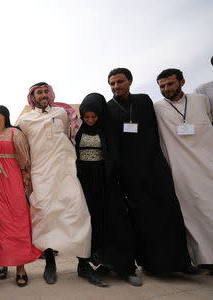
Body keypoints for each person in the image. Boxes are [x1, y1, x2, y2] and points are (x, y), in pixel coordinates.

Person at [106, 68, 197, 281]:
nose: (116, 86)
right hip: (129, 174)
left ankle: (182, 263)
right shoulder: (109, 108)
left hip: (154, 167)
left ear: (130, 81)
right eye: (112, 83)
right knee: (141, 220)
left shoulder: (144, 100)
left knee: (169, 212)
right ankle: (150, 265)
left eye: (120, 81)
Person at [17, 82, 105, 287]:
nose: (43, 94)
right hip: (41, 174)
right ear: (32, 97)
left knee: (78, 213)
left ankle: (83, 265)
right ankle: (50, 263)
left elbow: (68, 136)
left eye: (46, 91)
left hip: (65, 172)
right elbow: (21, 146)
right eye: (39, 92)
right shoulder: (25, 120)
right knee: (45, 217)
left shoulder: (62, 113)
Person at [155, 68, 213, 274]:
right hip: (180, 171)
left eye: (170, 84)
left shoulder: (201, 101)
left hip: (207, 166)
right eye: (162, 86)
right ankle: (203, 259)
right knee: (191, 216)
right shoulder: (158, 108)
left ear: (182, 82)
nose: (166, 89)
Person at [75, 93, 137, 286]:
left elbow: (115, 157)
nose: (91, 120)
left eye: (94, 116)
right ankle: (88, 265)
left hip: (106, 182)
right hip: (85, 184)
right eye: (87, 117)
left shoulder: (109, 131)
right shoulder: (78, 131)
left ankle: (124, 267)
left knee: (115, 222)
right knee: (88, 223)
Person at [0, 105, 42, 287]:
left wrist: (27, 183)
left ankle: (20, 267)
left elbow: (24, 161)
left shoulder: (14, 133)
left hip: (12, 182)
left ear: (3, 115)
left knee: (18, 221)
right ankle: (3, 262)